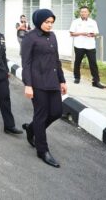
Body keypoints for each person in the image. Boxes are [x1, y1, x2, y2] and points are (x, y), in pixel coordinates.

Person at [21, 9, 67, 168]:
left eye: (51, 22)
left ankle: (32, 128)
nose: (49, 25)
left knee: (56, 112)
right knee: (41, 115)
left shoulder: (52, 36)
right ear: (39, 21)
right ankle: (42, 150)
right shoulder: (30, 37)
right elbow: (25, 63)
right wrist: (28, 84)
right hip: (37, 83)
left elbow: (56, 59)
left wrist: (62, 80)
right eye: (47, 22)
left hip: (53, 81)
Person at [70, 6, 106, 89]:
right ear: (80, 13)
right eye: (82, 12)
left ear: (88, 12)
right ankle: (77, 77)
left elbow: (96, 33)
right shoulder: (75, 22)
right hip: (79, 45)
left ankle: (96, 81)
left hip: (90, 46)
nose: (83, 13)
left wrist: (92, 34)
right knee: (77, 62)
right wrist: (82, 33)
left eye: (85, 12)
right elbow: (71, 33)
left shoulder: (93, 22)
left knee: (93, 63)